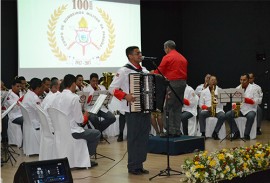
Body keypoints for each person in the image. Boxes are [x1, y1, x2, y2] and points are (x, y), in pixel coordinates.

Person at [109, 46, 150, 175]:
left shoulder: (144, 70)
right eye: (137, 53)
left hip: (145, 108)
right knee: (133, 138)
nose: (140, 55)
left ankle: (140, 164)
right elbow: (112, 88)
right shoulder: (124, 71)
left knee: (143, 138)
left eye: (140, 53)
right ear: (130, 56)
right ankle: (132, 166)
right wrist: (125, 96)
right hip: (131, 109)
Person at [51, 74, 100, 166]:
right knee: (96, 133)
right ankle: (86, 158)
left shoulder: (56, 97)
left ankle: (81, 156)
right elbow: (79, 120)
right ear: (73, 84)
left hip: (59, 130)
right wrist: (85, 115)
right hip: (72, 131)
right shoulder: (74, 97)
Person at [152, 40, 188, 137]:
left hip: (172, 84)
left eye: (165, 48)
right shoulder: (182, 57)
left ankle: (170, 130)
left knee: (168, 107)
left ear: (167, 47)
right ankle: (176, 130)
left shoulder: (167, 57)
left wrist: (152, 73)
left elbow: (160, 70)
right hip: (183, 83)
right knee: (178, 107)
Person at [225, 73, 260, 140]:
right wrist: (235, 107)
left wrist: (245, 99)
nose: (242, 81)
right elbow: (234, 102)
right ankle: (235, 132)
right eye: (241, 80)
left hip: (250, 109)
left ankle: (246, 134)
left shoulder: (254, 88)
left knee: (251, 116)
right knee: (228, 114)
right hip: (239, 109)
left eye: (244, 80)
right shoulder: (237, 88)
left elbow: (257, 101)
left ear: (248, 80)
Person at [83, 73, 116, 141]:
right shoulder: (85, 89)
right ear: (90, 81)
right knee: (94, 118)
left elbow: (106, 98)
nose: (95, 82)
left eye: (96, 81)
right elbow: (86, 102)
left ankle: (98, 131)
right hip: (91, 109)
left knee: (112, 118)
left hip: (101, 108)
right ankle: (99, 133)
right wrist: (94, 94)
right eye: (93, 81)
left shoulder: (102, 87)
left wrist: (101, 93)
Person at [198, 75, 226, 140]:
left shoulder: (220, 90)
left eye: (214, 80)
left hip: (218, 110)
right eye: (211, 80)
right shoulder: (203, 91)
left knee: (222, 116)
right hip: (208, 110)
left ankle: (215, 132)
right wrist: (207, 108)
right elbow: (200, 104)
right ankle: (203, 133)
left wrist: (220, 99)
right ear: (208, 81)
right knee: (201, 114)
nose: (213, 81)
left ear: (217, 81)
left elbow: (225, 104)